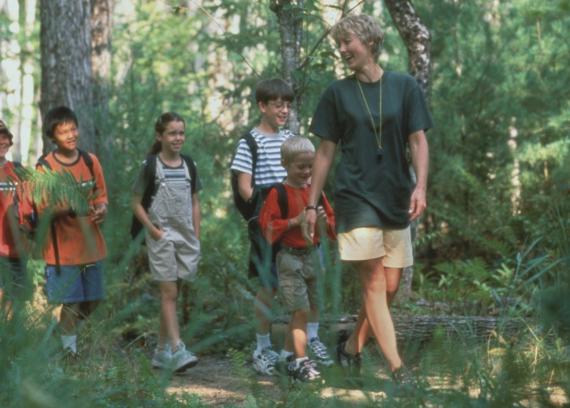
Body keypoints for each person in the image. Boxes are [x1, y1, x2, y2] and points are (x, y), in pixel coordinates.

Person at [303, 14, 433, 383]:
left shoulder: (404, 86)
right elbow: (325, 152)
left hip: (395, 195)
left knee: (390, 287)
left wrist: (420, 185)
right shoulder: (336, 93)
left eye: (348, 43)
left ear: (371, 42)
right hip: (354, 197)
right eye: (339, 44)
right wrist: (312, 204)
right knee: (374, 283)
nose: (342, 50)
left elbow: (418, 140)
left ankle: (351, 347)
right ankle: (398, 369)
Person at [231, 78, 332, 375]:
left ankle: (308, 339)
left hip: (303, 222)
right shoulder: (249, 141)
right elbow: (245, 188)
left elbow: (308, 176)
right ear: (262, 106)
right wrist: (274, 204)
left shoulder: (291, 139)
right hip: (272, 224)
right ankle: (262, 347)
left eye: (287, 104)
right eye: (278, 104)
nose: (284, 110)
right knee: (269, 285)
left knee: (313, 280)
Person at [259, 136, 336, 382]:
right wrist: (295, 221)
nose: (306, 172)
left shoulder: (316, 193)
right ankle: (301, 362)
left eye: (310, 166)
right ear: (285, 164)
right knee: (299, 310)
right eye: (300, 166)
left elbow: (332, 225)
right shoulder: (278, 193)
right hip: (290, 260)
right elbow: (267, 227)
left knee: (310, 308)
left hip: (313, 256)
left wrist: (323, 223)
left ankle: (287, 358)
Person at [132, 112, 201, 372]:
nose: (177, 138)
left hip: (186, 236)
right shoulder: (151, 165)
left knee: (172, 294)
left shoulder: (189, 165)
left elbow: (195, 202)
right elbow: (135, 203)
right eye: (172, 133)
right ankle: (177, 347)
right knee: (169, 293)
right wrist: (152, 230)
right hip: (161, 235)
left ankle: (161, 352)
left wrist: (196, 234)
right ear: (160, 136)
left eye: (181, 132)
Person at [37, 106, 109, 357]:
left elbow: (101, 194)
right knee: (71, 301)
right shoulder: (46, 167)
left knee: (94, 299)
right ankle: (70, 354)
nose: (71, 135)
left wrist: (102, 208)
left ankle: (66, 335)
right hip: (62, 251)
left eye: (73, 128)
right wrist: (70, 205)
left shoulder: (91, 161)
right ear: (53, 136)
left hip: (92, 245)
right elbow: (42, 207)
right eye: (63, 131)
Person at [0, 120, 28, 316]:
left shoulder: (18, 170)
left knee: (17, 297)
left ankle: (14, 341)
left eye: (5, 139)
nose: (2, 143)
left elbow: (31, 203)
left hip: (16, 246)